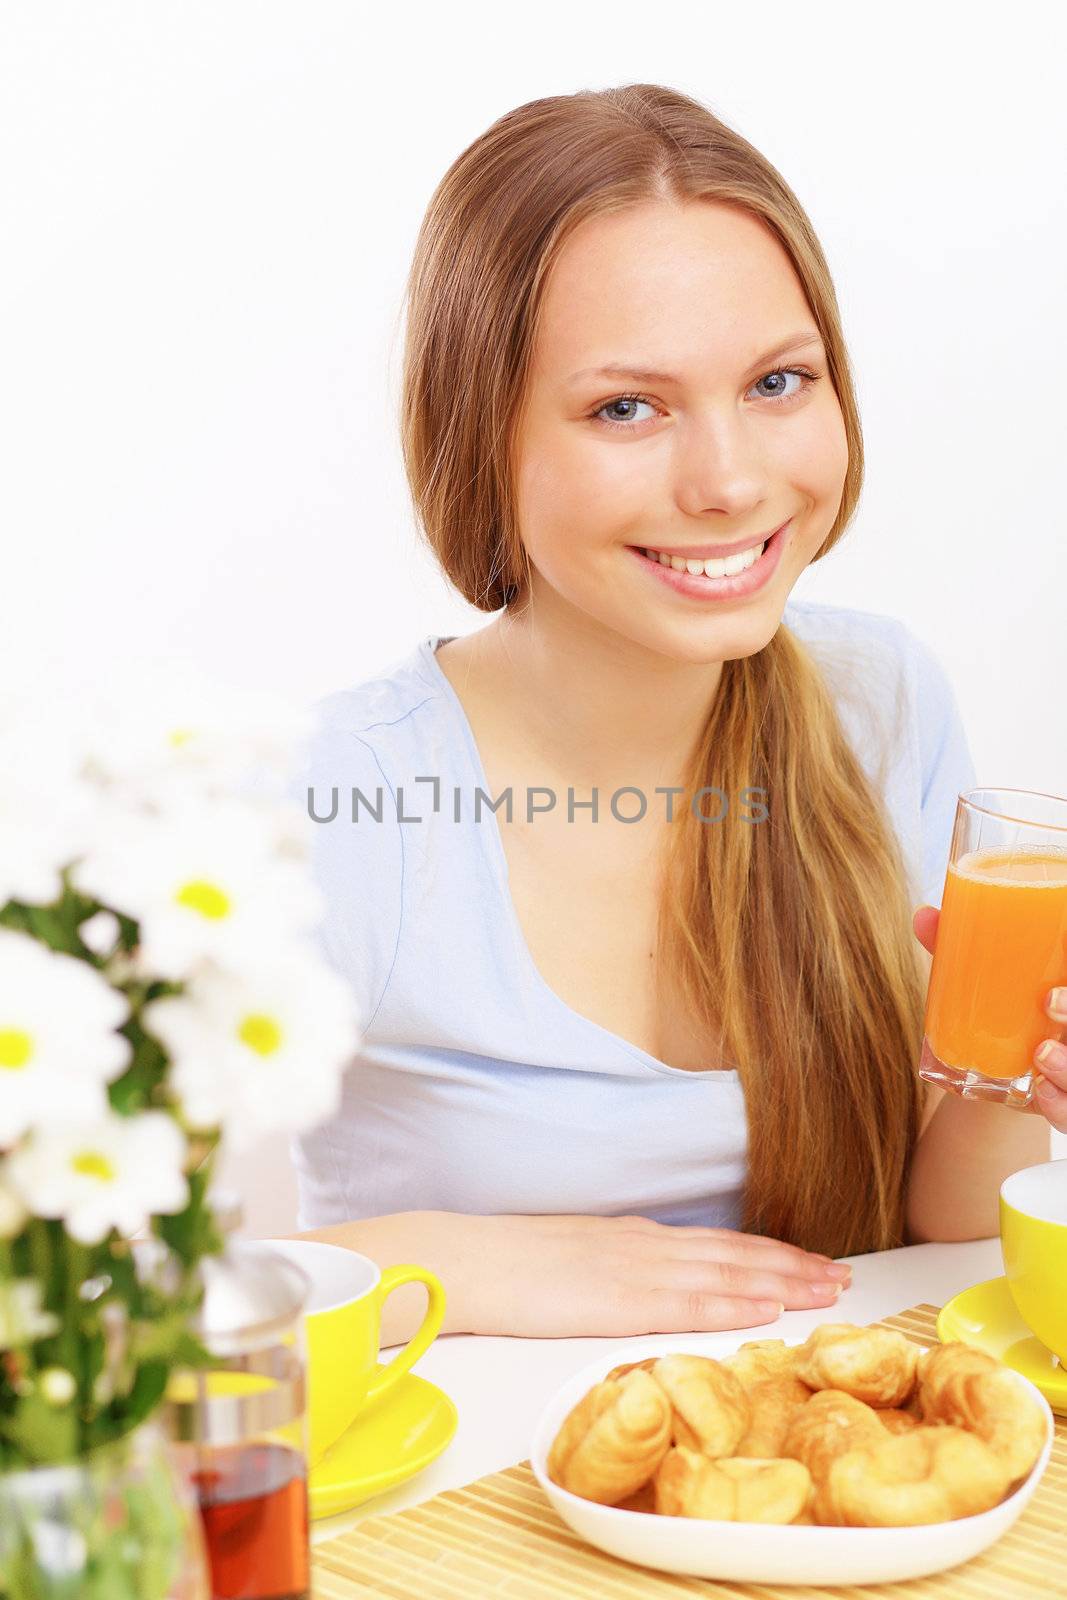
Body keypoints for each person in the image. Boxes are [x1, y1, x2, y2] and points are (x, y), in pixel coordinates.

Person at [289, 83, 1062, 1345]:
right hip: (447, 1508)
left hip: (803, 1470)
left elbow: (940, 1235)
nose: (727, 481)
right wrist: (448, 1267)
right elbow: (63, 1290)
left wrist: (1011, 1083)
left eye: (775, 381)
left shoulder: (881, 702)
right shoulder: (339, 797)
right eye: (623, 408)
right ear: (481, 438)